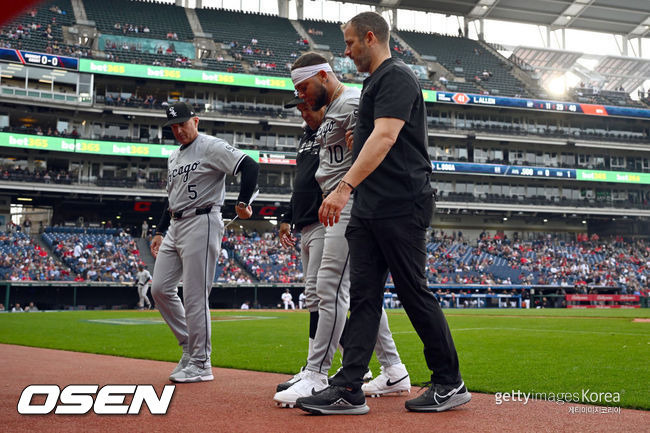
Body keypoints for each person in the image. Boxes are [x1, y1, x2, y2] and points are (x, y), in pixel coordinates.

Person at [296, 12, 470, 415]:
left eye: (350, 43)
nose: (346, 51)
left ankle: (449, 381)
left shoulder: (396, 76)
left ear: (370, 38)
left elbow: (387, 136)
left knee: (413, 292)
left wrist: (343, 188)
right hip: (373, 206)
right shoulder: (372, 82)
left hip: (400, 201)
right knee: (364, 298)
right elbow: (370, 138)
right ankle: (348, 387)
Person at [274, 52, 410, 408]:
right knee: (359, 293)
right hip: (335, 200)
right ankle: (393, 369)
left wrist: (358, 151)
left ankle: (316, 373)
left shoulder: (351, 102)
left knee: (329, 286)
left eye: (304, 87)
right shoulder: (334, 110)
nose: (302, 95)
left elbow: (383, 142)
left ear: (323, 75)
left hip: (348, 200)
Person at [150, 101, 259, 383]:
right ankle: (189, 345)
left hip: (203, 219)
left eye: (182, 124)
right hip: (176, 223)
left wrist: (243, 201)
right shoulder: (173, 157)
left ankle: (200, 362)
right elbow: (171, 197)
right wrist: (159, 231)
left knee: (195, 295)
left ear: (195, 121)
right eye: (173, 126)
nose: (178, 130)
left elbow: (249, 165)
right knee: (160, 289)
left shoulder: (211, 146)